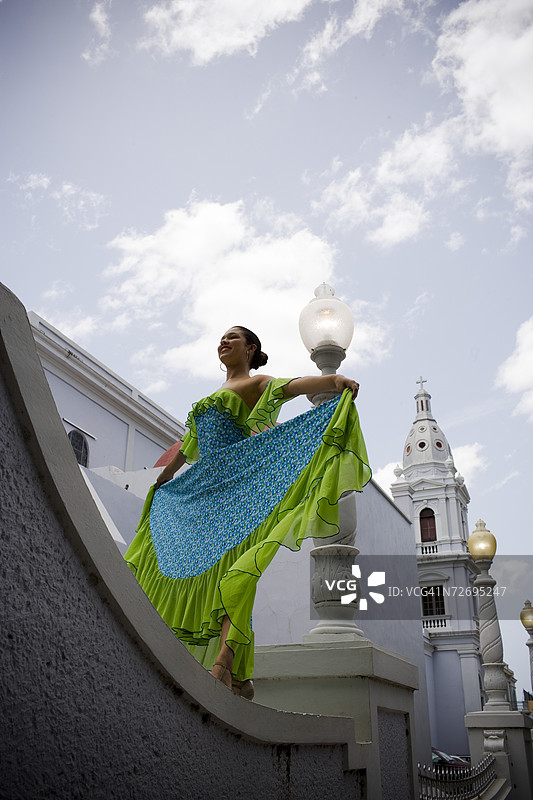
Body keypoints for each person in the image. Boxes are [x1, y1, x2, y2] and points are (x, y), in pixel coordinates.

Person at [125, 326, 371, 699]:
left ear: (250, 348)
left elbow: (292, 387)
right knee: (199, 571)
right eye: (222, 338)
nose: (224, 342)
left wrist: (333, 379)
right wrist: (164, 479)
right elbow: (188, 446)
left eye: (233, 338)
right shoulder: (210, 398)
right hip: (203, 491)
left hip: (237, 490)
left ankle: (224, 663)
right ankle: (241, 680)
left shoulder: (258, 384)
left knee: (234, 574)